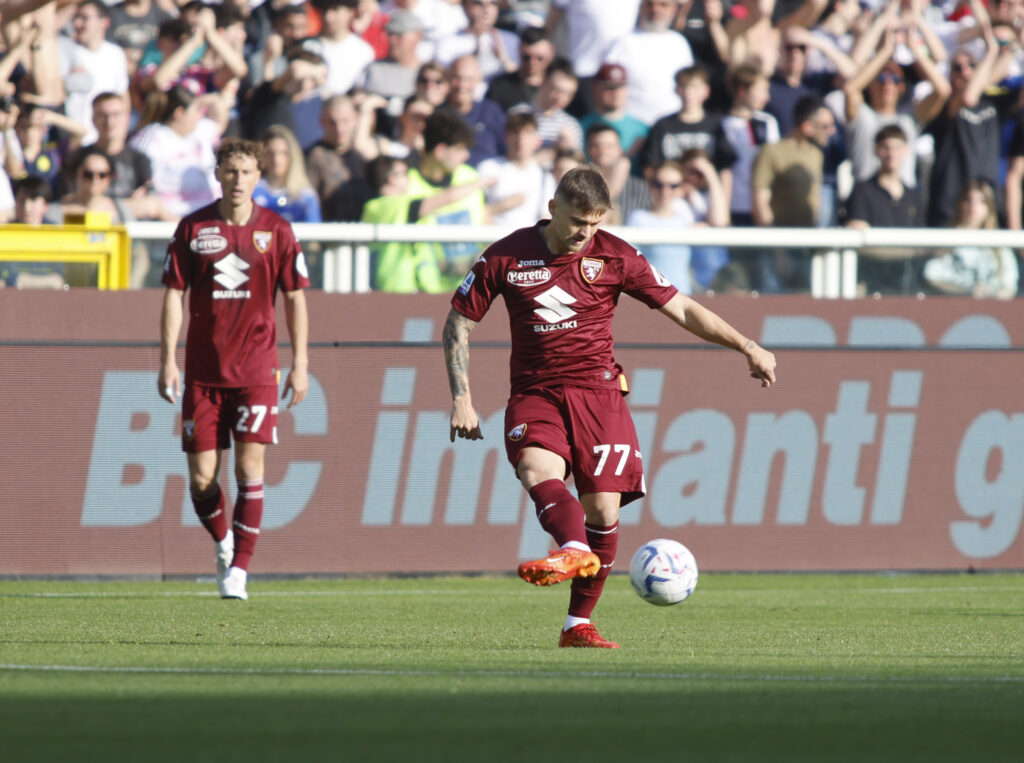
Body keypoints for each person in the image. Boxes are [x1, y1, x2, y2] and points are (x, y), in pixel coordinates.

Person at [443, 166, 777, 648]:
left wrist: (746, 345)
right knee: (537, 469)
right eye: (579, 221)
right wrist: (462, 397)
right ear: (553, 208)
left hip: (599, 393)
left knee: (602, 510)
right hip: (536, 392)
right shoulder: (507, 255)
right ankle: (574, 549)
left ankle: (577, 623)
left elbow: (681, 307)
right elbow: (458, 324)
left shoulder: (616, 255)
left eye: (596, 223)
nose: (586, 233)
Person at [158, 137, 311, 601]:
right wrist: (167, 359)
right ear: (218, 175)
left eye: (246, 172)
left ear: (258, 177)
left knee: (250, 467)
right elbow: (173, 295)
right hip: (204, 372)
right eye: (229, 171)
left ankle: (239, 570)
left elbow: (295, 298)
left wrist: (300, 363)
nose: (237, 180)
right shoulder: (193, 228)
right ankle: (224, 541)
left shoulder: (277, 230)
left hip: (257, 371)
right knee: (203, 479)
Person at [361, 153, 494, 291]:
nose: (410, 178)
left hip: (416, 289)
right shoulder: (385, 206)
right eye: (404, 173)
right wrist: (481, 182)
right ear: (391, 179)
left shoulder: (380, 207)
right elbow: (448, 197)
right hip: (397, 289)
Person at [842, 124, 924, 295]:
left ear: (906, 151)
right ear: (876, 151)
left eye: (897, 148)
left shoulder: (913, 197)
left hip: (905, 284)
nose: (891, 154)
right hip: (872, 282)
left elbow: (920, 244)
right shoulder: (863, 191)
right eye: (886, 148)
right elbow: (857, 236)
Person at [923, 180, 1019, 299]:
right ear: (959, 204)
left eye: (981, 201)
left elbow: (1009, 287)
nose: (973, 205)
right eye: (968, 200)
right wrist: (966, 292)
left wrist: (991, 295)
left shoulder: (998, 245)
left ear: (989, 208)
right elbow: (931, 276)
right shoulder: (946, 241)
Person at [253, 125, 322, 223]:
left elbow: (314, 234)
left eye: (283, 153)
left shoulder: (305, 197)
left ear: (292, 155)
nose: (276, 159)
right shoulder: (252, 191)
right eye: (271, 153)